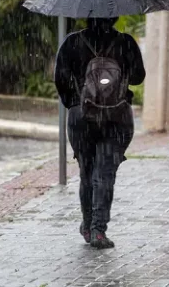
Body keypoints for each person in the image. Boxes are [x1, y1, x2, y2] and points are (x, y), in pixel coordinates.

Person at [54, 17, 145, 249]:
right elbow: (138, 76)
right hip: (117, 116)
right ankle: (98, 230)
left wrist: (77, 104)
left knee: (87, 172)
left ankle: (88, 225)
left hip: (81, 117)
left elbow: (61, 80)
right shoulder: (125, 42)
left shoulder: (72, 42)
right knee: (104, 173)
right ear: (115, 16)